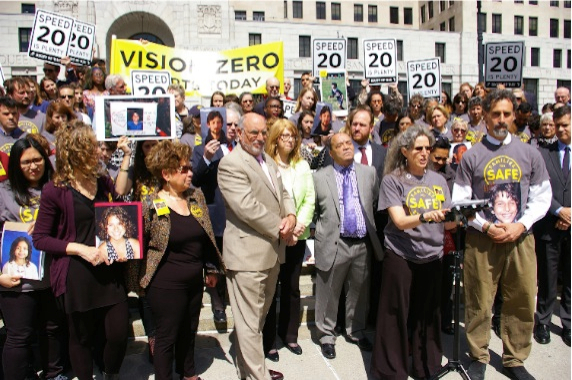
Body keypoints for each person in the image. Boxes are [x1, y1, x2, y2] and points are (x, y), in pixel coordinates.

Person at [452, 89, 552, 380]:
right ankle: (478, 356)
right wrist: (485, 226)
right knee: (479, 300)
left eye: (507, 113)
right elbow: (460, 201)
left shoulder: (529, 153)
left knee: (521, 298)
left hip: (520, 237)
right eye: (495, 114)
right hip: (484, 239)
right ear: (484, 116)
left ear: (513, 115)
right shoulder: (472, 156)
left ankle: (514, 358)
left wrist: (522, 225)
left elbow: (542, 196)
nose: (501, 119)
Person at [33, 121, 130, 380]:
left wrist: (127, 157)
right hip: (77, 273)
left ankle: (111, 373)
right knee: (80, 338)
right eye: (92, 146)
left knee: (119, 333)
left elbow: (120, 195)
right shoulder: (55, 190)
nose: (99, 150)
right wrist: (79, 249)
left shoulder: (100, 179)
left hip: (108, 271)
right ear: (78, 151)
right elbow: (40, 239)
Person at [128, 140, 223, 380]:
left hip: (194, 279)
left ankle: (188, 374)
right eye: (184, 169)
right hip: (164, 283)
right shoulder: (150, 204)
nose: (190, 173)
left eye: (190, 167)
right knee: (166, 337)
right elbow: (137, 244)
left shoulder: (196, 197)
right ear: (167, 174)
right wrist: (138, 281)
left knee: (189, 330)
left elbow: (207, 234)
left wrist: (211, 268)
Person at [371, 125, 455, 380]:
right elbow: (399, 220)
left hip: (432, 255)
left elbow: (448, 222)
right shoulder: (392, 180)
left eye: (428, 149)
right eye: (418, 148)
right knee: (395, 312)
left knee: (428, 315)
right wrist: (425, 216)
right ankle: (391, 371)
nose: (424, 153)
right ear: (405, 151)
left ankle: (426, 366)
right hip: (401, 254)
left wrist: (462, 218)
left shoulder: (439, 180)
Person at [217, 112, 296, 380]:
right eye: (254, 133)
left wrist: (292, 216)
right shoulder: (231, 164)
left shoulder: (269, 162)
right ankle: (256, 376)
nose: (260, 138)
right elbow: (246, 207)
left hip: (271, 255)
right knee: (250, 324)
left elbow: (284, 194)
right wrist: (281, 226)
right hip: (247, 256)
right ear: (239, 133)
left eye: (264, 132)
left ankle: (251, 369)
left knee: (256, 321)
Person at [0, 135, 68, 380]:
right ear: (16, 164)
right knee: (19, 337)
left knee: (52, 330)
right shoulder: (4, 192)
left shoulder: (58, 188)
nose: (33, 165)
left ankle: (55, 374)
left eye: (38, 159)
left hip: (53, 276)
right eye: (26, 161)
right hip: (16, 281)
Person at [313, 132, 382, 360]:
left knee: (359, 291)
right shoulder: (320, 176)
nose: (346, 147)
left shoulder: (369, 173)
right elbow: (314, 209)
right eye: (339, 145)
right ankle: (326, 335)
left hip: (362, 242)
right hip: (335, 241)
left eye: (348, 143)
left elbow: (373, 201)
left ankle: (356, 330)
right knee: (329, 291)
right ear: (330, 153)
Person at [262, 118, 315, 361]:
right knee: (272, 289)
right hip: (273, 235)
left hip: (297, 235)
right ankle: (269, 340)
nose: (290, 140)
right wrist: (282, 228)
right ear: (274, 138)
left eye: (293, 136)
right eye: (285, 136)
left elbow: (309, 199)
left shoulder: (302, 165)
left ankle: (290, 335)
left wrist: (297, 226)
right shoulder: (265, 164)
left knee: (292, 287)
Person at [191, 108, 239, 325]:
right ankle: (218, 305)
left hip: (239, 215)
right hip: (217, 213)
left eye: (234, 125)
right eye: (227, 124)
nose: (230, 128)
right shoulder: (201, 149)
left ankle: (232, 299)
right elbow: (196, 180)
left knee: (233, 260)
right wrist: (208, 158)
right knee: (215, 260)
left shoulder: (242, 149)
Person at [533, 105, 571, 347]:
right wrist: (560, 210)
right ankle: (543, 322)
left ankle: (568, 323)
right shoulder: (543, 152)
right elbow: (540, 187)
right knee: (547, 277)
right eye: (558, 126)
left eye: (566, 125)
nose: (560, 130)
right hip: (550, 223)